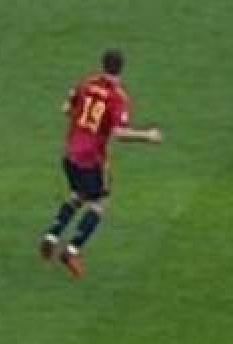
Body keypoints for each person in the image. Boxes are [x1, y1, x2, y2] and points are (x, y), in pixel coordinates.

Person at [39, 49, 163, 278]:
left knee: (79, 195)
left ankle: (52, 235)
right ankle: (72, 250)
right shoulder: (118, 97)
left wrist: (82, 124)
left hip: (70, 153)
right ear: (121, 68)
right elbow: (119, 133)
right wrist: (148, 136)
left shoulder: (86, 83)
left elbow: (66, 108)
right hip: (92, 159)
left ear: (103, 64)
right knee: (100, 203)